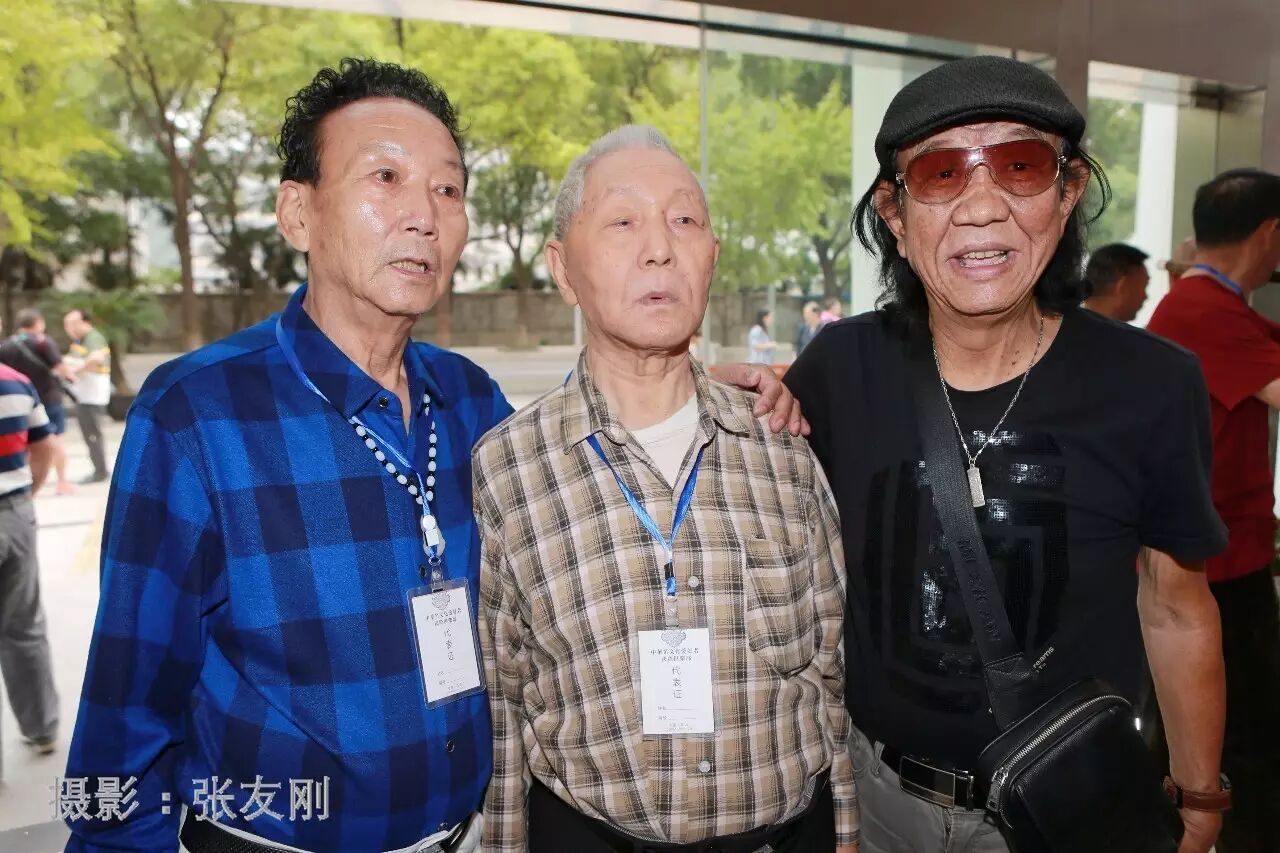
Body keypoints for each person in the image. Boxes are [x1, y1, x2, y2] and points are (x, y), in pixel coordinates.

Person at [63, 60, 804, 853]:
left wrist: (684, 393)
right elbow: (126, 715)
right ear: (297, 213)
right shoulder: (198, 414)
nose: (423, 215)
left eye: (448, 189)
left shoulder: (469, 397)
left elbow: (580, 462)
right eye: (385, 177)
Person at [786, 55, 1228, 853]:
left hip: (1066, 814)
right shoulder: (838, 369)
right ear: (894, 212)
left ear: (1067, 192)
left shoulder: (1151, 383)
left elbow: (1174, 605)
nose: (983, 206)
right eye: (942, 172)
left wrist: (1199, 792)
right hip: (878, 803)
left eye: (1020, 166)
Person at [475, 124, 857, 853]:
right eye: (622, 221)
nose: (660, 247)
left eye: (684, 219)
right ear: (562, 268)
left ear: (712, 255)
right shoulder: (509, 469)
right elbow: (502, 708)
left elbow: (828, 670)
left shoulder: (781, 446)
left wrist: (844, 833)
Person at [1145, 168, 1280, 853]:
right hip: (1212, 566)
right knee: (1244, 736)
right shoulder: (1202, 309)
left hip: (1223, 554)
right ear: (1271, 233)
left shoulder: (1213, 303)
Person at [0, 360, 57, 779]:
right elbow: (45, 445)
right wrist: (23, 497)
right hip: (14, 514)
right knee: (23, 627)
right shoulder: (16, 382)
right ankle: (42, 729)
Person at [0, 308, 74, 494]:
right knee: (54, 440)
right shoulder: (43, 342)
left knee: (23, 441)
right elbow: (62, 369)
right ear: (38, 323)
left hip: (17, 401)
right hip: (49, 398)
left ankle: (22, 478)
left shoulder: (6, 346)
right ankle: (62, 481)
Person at [62, 309, 111, 483]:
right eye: (67, 324)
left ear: (85, 322)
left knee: (93, 435)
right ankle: (99, 470)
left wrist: (75, 371)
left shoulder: (93, 338)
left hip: (93, 396)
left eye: (73, 323)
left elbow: (96, 359)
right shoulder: (80, 341)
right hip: (84, 395)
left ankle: (100, 471)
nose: (70, 328)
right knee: (89, 435)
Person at [1082, 242, 1151, 322]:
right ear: (1123, 287)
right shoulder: (1109, 329)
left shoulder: (1073, 325)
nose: (1145, 297)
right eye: (1143, 287)